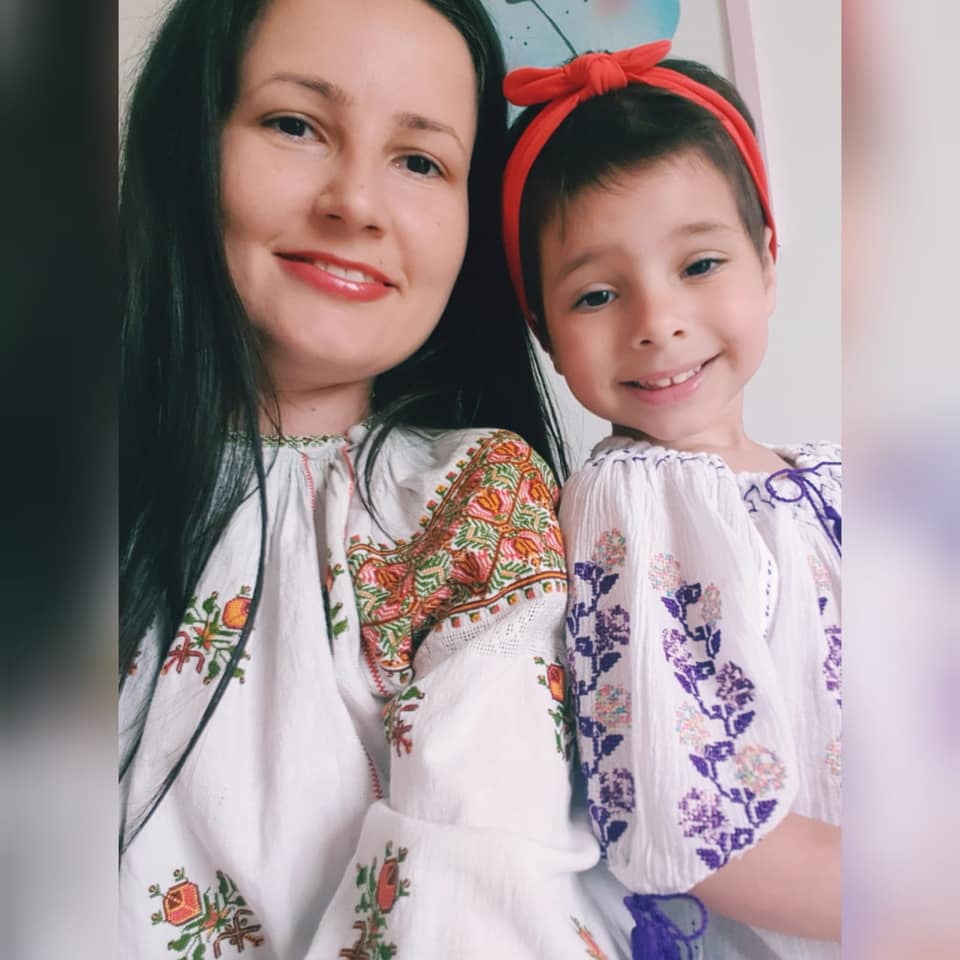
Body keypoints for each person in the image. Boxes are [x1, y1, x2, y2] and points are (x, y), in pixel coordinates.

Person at [119, 0, 631, 956]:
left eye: (421, 161)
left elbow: (472, 888)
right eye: (294, 124)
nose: (355, 202)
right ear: (187, 142)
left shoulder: (469, 503)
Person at [502, 41, 841, 958]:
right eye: (597, 294)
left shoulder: (836, 479)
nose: (657, 323)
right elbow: (697, 830)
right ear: (544, 331)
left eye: (698, 265)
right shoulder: (631, 505)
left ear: (767, 261)